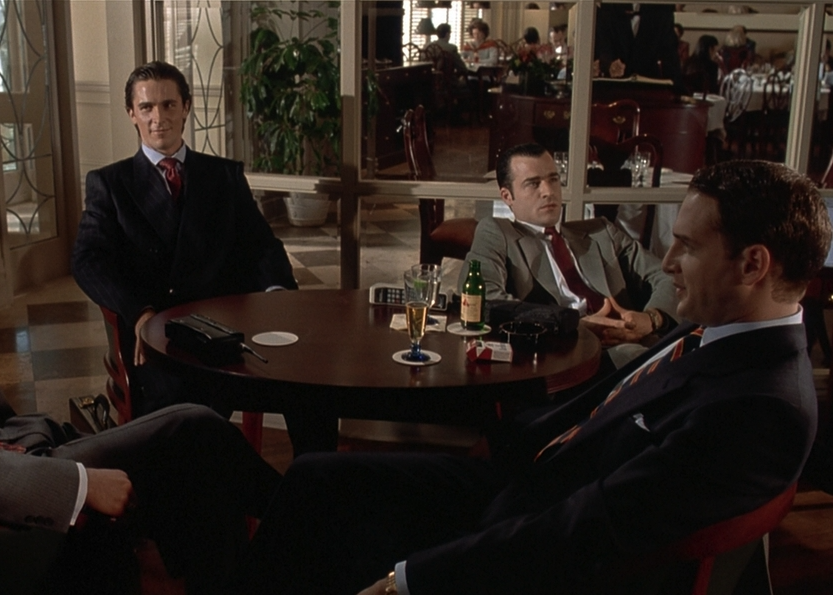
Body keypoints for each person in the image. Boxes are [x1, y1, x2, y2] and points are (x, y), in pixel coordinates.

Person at [233, 159, 829, 595]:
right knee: (313, 476)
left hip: (529, 539)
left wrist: (410, 579)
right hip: (522, 481)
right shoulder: (718, 333)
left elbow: (585, 532)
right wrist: (502, 445)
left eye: (687, 247)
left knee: (319, 523)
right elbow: (602, 413)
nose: (668, 263)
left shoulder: (760, 408)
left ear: (753, 264)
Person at [0, 191, 281, 595]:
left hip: (14, 441)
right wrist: (76, 485)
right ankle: (303, 524)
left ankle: (284, 539)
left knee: (196, 470)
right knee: (192, 431)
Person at [71, 62, 335, 453]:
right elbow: (87, 260)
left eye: (168, 105)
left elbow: (262, 245)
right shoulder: (109, 183)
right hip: (161, 340)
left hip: (233, 335)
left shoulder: (224, 175)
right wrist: (139, 312)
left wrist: (278, 298)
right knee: (187, 441)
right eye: (146, 108)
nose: (158, 118)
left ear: (186, 107)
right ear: (131, 114)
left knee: (312, 388)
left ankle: (316, 485)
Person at [457, 143, 678, 368]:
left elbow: (668, 276)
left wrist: (652, 318)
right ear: (507, 196)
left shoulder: (601, 232)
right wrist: (572, 324)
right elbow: (484, 297)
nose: (548, 191)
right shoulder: (498, 233)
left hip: (637, 342)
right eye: (533, 184)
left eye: (553, 179)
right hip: (568, 355)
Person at [594, 3, 683, 91]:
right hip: (612, 88)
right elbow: (602, 46)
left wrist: (677, 90)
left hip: (649, 89)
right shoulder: (608, 6)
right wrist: (608, 65)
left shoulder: (662, 8)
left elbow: (670, 57)